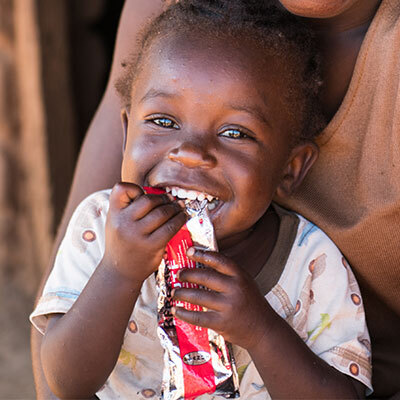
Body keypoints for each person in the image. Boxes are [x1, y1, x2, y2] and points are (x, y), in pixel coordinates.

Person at [31, 0, 400, 398]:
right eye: (163, 121)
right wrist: (118, 273)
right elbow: (64, 384)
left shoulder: (312, 267)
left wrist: (260, 329)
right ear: (126, 133)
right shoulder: (100, 230)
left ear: (291, 169)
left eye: (235, 133)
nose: (189, 152)